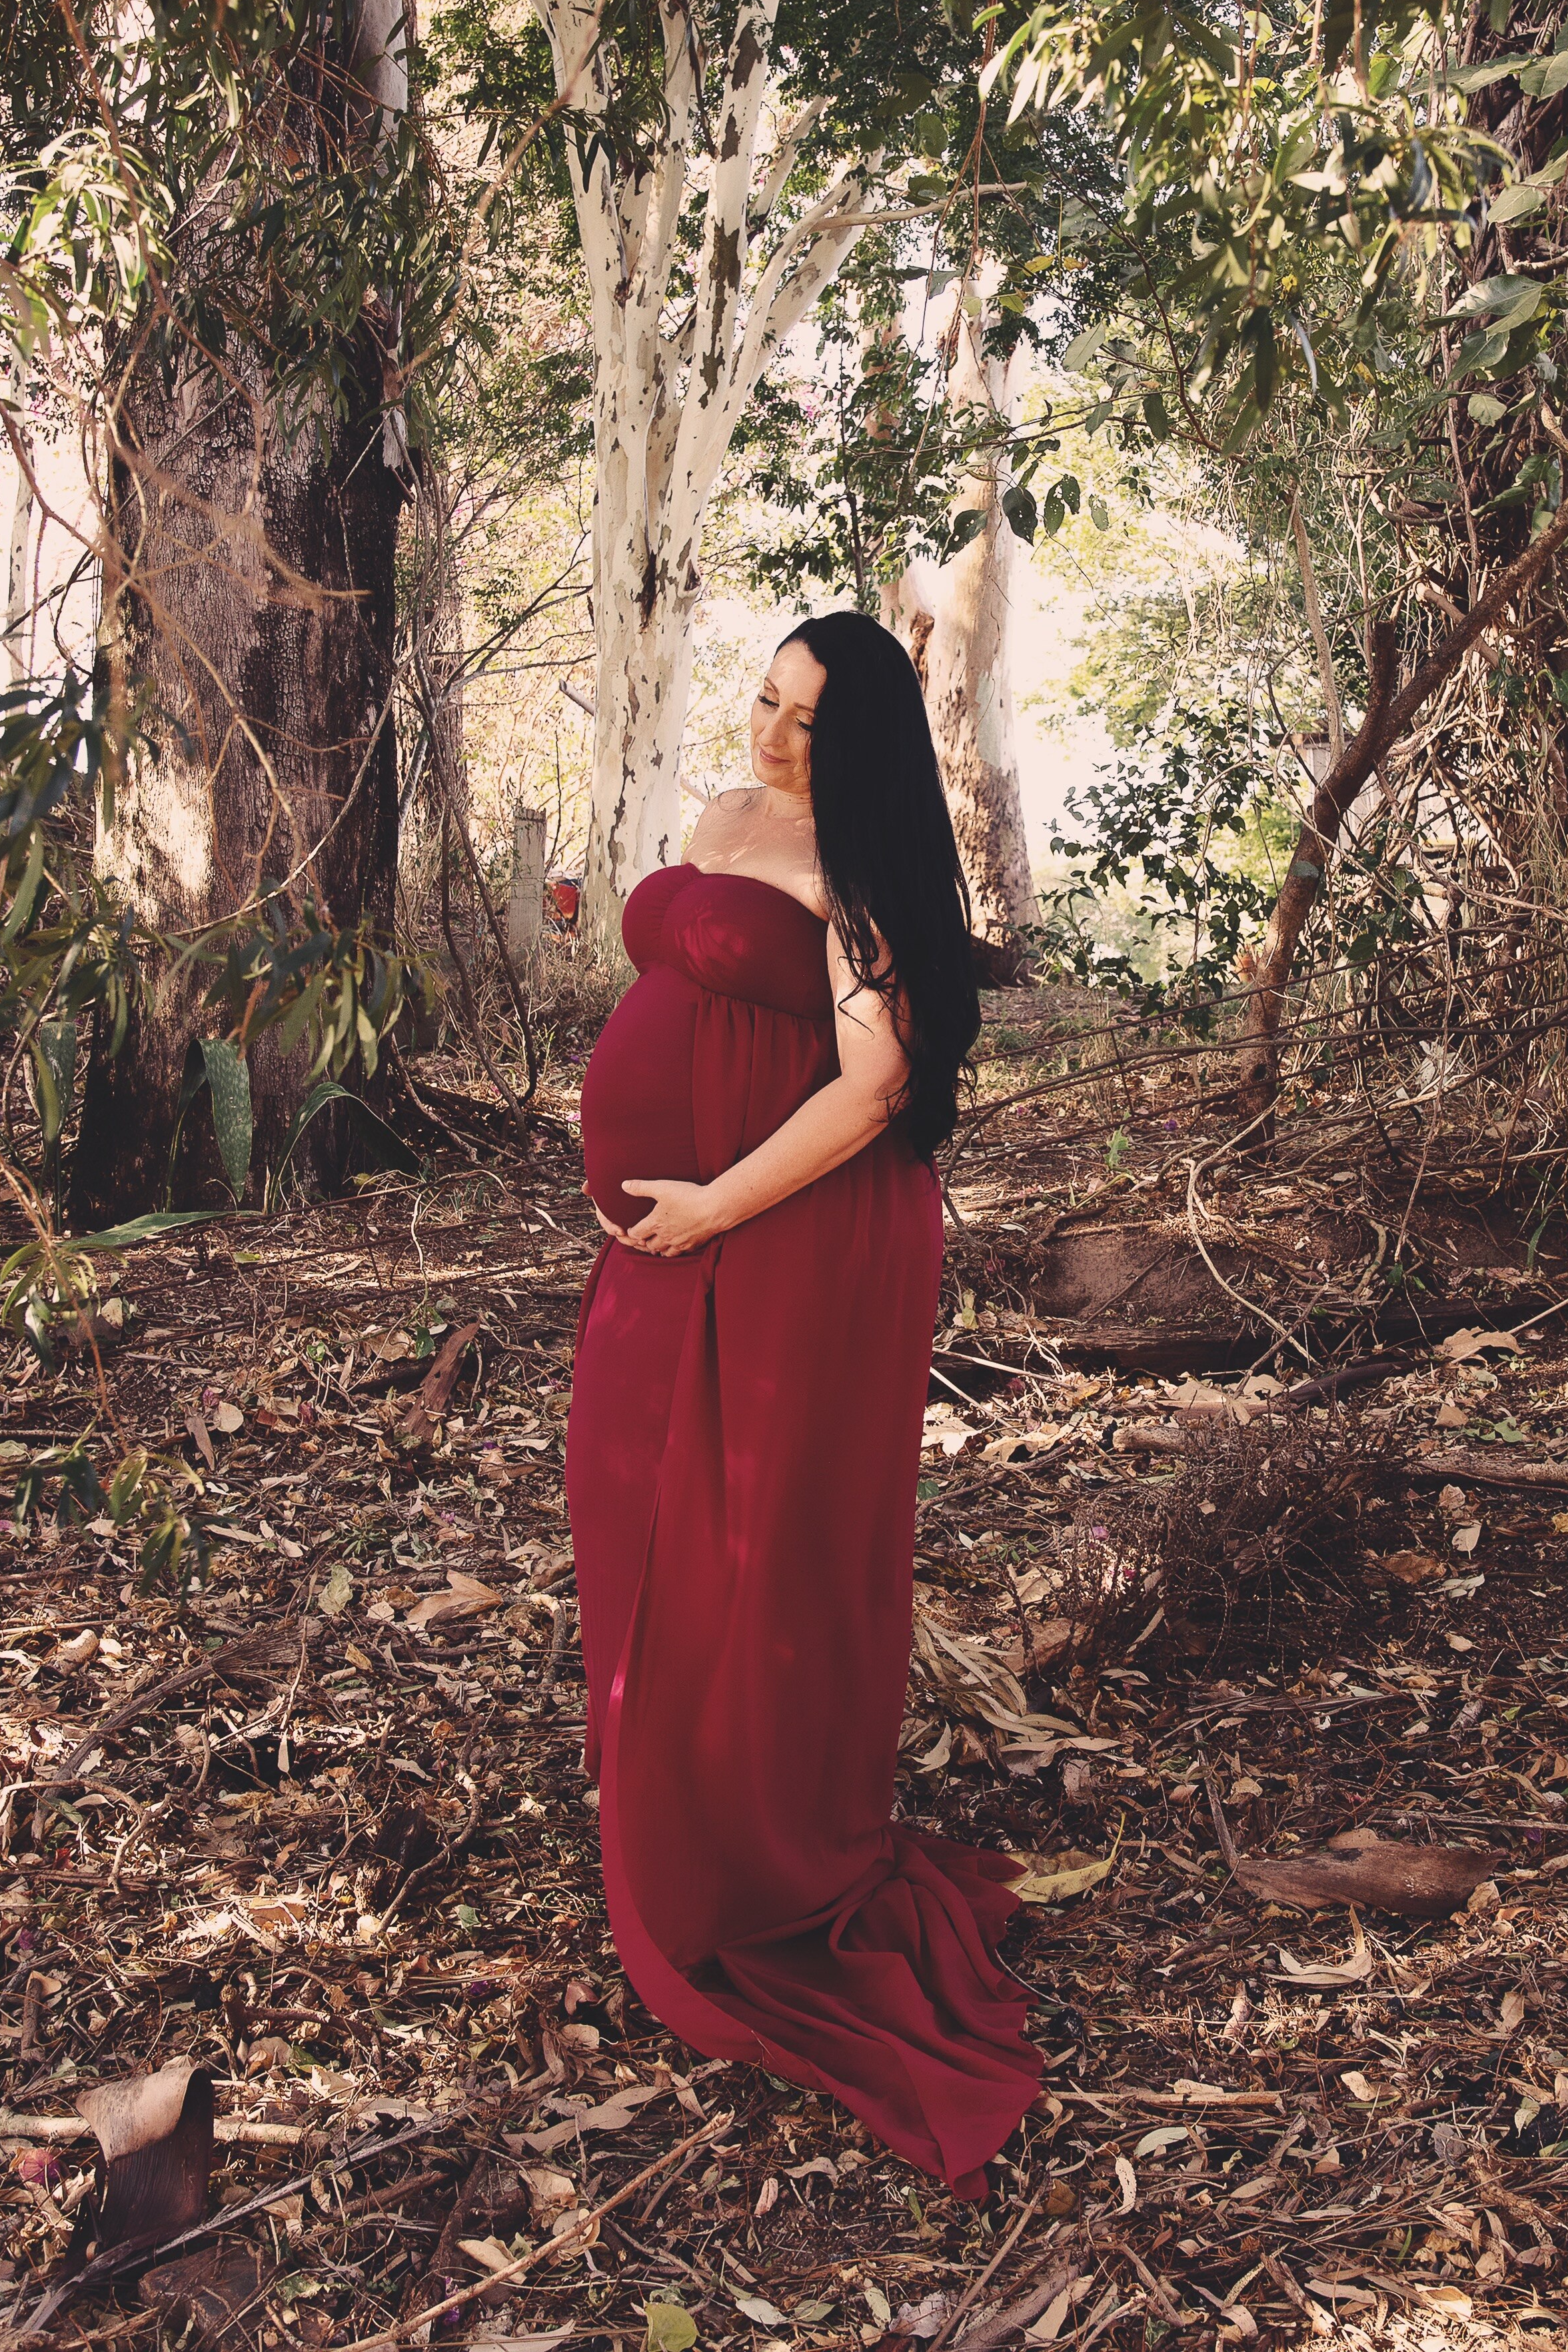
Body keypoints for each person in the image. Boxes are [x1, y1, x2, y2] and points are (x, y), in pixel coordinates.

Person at [566, 610, 1042, 2198]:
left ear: (874, 745)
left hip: (791, 1234)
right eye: (766, 701)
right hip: (680, 1241)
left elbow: (876, 1086)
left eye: (810, 721)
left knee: (754, 1535)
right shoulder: (726, 815)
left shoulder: (868, 877)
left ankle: (750, 1853)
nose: (773, 737)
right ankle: (668, 1795)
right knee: (633, 1496)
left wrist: (711, 1204)